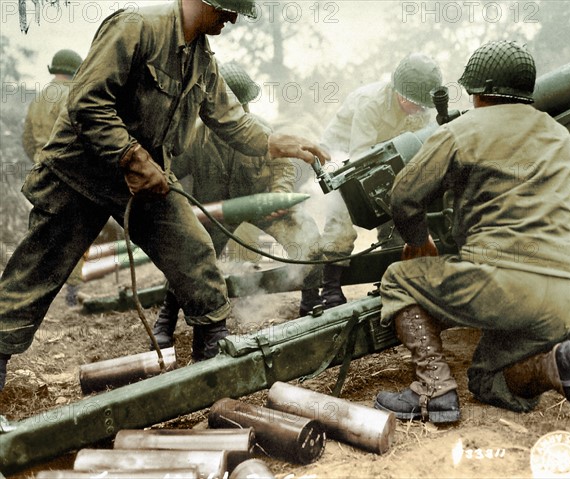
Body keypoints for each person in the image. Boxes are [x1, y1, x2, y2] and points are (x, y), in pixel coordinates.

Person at [0, 0, 329, 392]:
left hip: (147, 178)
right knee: (34, 276)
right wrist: (131, 156)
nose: (233, 18)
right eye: (227, 9)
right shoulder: (136, 27)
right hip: (80, 172)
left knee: (194, 252)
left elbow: (232, 122)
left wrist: (277, 141)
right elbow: (86, 101)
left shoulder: (203, 61)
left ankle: (211, 360)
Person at [374, 41, 570, 444]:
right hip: (566, 302)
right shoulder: (559, 135)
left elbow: (403, 196)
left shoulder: (459, 132)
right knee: (487, 378)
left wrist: (420, 239)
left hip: (498, 285)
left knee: (398, 278)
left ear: (477, 93)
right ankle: (560, 366)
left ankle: (433, 390)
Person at [152, 60, 324, 354]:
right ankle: (166, 319)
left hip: (260, 205)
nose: (238, 114)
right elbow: (169, 172)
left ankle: (312, 300)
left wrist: (280, 195)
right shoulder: (193, 138)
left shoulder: (263, 132)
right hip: (216, 213)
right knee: (190, 257)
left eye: (241, 106)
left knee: (306, 233)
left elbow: (282, 166)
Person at [317, 53, 442, 310]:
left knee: (400, 212)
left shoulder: (420, 106)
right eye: (413, 102)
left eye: (422, 105)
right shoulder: (370, 103)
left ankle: (392, 279)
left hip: (388, 158)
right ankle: (329, 288)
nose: (418, 110)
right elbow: (360, 158)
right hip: (342, 158)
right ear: (398, 91)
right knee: (341, 212)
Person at [22, 49, 85, 307]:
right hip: (68, 172)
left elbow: (26, 138)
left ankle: (29, 295)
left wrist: (38, 158)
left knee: (41, 233)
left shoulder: (39, 98)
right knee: (75, 231)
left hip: (41, 172)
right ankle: (71, 293)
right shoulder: (74, 94)